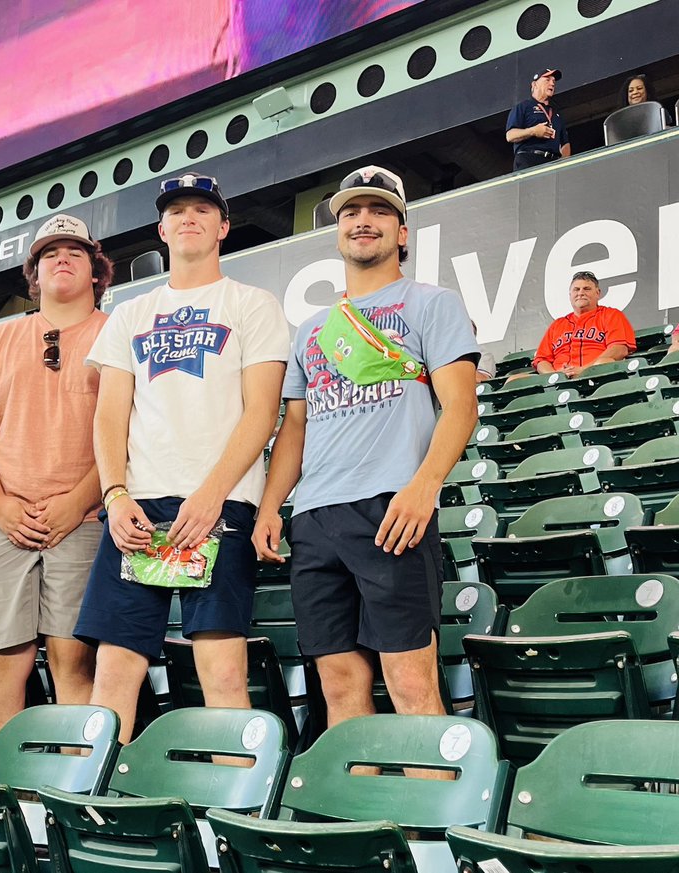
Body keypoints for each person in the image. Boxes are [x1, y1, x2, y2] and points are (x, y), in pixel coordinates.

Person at [252, 166, 478, 729]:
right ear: (337, 231)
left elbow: (462, 408)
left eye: (379, 211)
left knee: (410, 683)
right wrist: (270, 506)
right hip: (314, 518)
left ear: (403, 232)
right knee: (339, 686)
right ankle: (352, 817)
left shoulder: (433, 303)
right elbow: (295, 429)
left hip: (391, 508)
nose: (363, 221)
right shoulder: (309, 329)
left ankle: (428, 818)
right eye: (351, 212)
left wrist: (423, 487)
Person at [72, 172, 288, 744]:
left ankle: (233, 813)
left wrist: (212, 493)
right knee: (115, 671)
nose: (188, 217)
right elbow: (110, 415)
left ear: (223, 226)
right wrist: (114, 496)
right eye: (177, 210)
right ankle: (97, 813)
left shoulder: (252, 303)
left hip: (222, 505)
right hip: (137, 506)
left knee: (221, 672)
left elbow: (262, 412)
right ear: (161, 229)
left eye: (202, 209)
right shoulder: (130, 314)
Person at [0, 214, 113, 736]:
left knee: (75, 660)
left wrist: (77, 501)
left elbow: (129, 431)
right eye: (49, 253)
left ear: (95, 271)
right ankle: (2, 794)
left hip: (85, 518)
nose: (61, 258)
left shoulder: (118, 333)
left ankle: (76, 795)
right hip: (0, 521)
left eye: (74, 250)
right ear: (34, 275)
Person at [532, 271, 635, 378]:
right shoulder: (557, 325)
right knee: (515, 379)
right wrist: (556, 376)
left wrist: (584, 370)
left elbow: (619, 349)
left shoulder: (611, 315)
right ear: (570, 294)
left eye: (587, 289)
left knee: (604, 362)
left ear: (598, 293)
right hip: (559, 379)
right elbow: (541, 360)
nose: (580, 293)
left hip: (595, 375)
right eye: (576, 289)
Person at [506, 68, 570, 171]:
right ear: (534, 85)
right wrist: (534, 131)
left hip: (553, 163)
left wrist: (563, 165)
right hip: (529, 160)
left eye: (553, 81)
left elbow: (565, 144)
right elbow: (510, 136)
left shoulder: (556, 113)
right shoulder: (523, 107)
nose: (552, 84)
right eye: (547, 80)